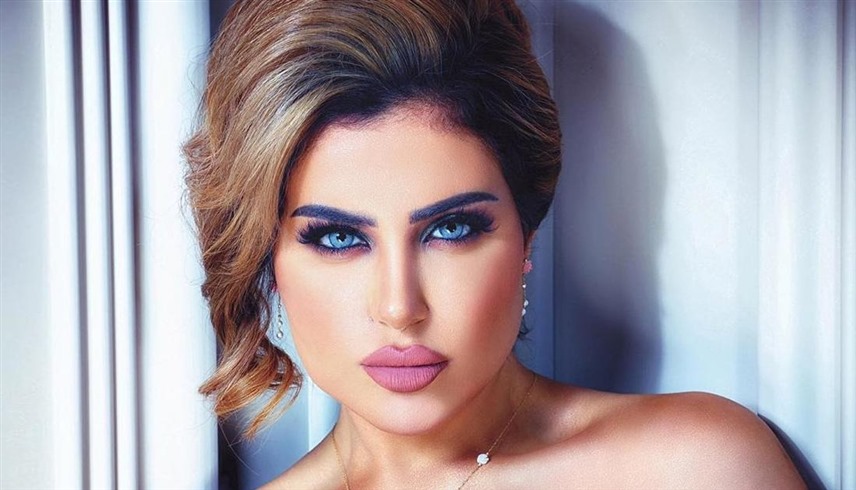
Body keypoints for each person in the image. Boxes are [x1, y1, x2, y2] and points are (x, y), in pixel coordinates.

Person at [183, 0, 805, 488]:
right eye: (340, 237)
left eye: (450, 229)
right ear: (267, 258)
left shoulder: (697, 466)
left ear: (526, 232)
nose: (399, 308)